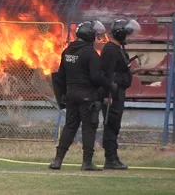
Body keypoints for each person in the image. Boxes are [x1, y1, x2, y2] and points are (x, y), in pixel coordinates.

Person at [49, 20, 117, 171]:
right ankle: (87, 162)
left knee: (70, 127)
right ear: (90, 36)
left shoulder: (67, 52)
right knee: (89, 127)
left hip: (71, 95)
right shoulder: (90, 53)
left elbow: (61, 76)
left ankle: (57, 160)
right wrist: (110, 85)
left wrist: (63, 96)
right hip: (87, 96)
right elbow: (96, 77)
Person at [100, 19, 141, 170]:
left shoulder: (118, 49)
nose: (129, 38)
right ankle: (110, 159)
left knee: (115, 126)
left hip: (118, 92)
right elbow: (106, 74)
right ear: (121, 34)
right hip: (112, 94)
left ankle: (113, 157)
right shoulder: (110, 49)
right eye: (128, 35)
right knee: (111, 125)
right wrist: (106, 95)